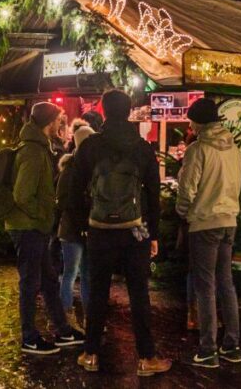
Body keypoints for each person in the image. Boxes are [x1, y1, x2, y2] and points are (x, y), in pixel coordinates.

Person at [70, 89, 170, 377]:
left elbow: (74, 190)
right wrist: (153, 233)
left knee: (97, 290)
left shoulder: (91, 146)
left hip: (99, 229)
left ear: (103, 111)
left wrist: (82, 225)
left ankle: (90, 354)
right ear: (128, 112)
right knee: (139, 292)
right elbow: (154, 192)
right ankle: (146, 357)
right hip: (134, 229)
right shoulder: (141, 147)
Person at [4, 101, 84, 355]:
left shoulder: (39, 147)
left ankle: (62, 330)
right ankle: (29, 337)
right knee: (30, 282)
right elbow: (23, 195)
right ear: (49, 122)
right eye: (59, 120)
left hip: (34, 226)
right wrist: (42, 216)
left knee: (49, 279)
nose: (61, 124)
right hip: (28, 226)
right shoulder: (33, 151)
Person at [176, 98, 241, 368]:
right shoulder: (234, 149)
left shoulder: (199, 149)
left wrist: (183, 211)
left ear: (199, 122)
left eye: (192, 120)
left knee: (205, 286)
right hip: (229, 221)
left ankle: (207, 349)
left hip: (205, 222)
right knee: (226, 283)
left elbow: (187, 188)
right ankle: (232, 344)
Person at [56, 124, 94, 324]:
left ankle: (88, 316)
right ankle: (66, 315)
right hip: (73, 229)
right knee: (72, 272)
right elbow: (63, 199)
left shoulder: (90, 166)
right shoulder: (71, 168)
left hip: (85, 228)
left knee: (85, 273)